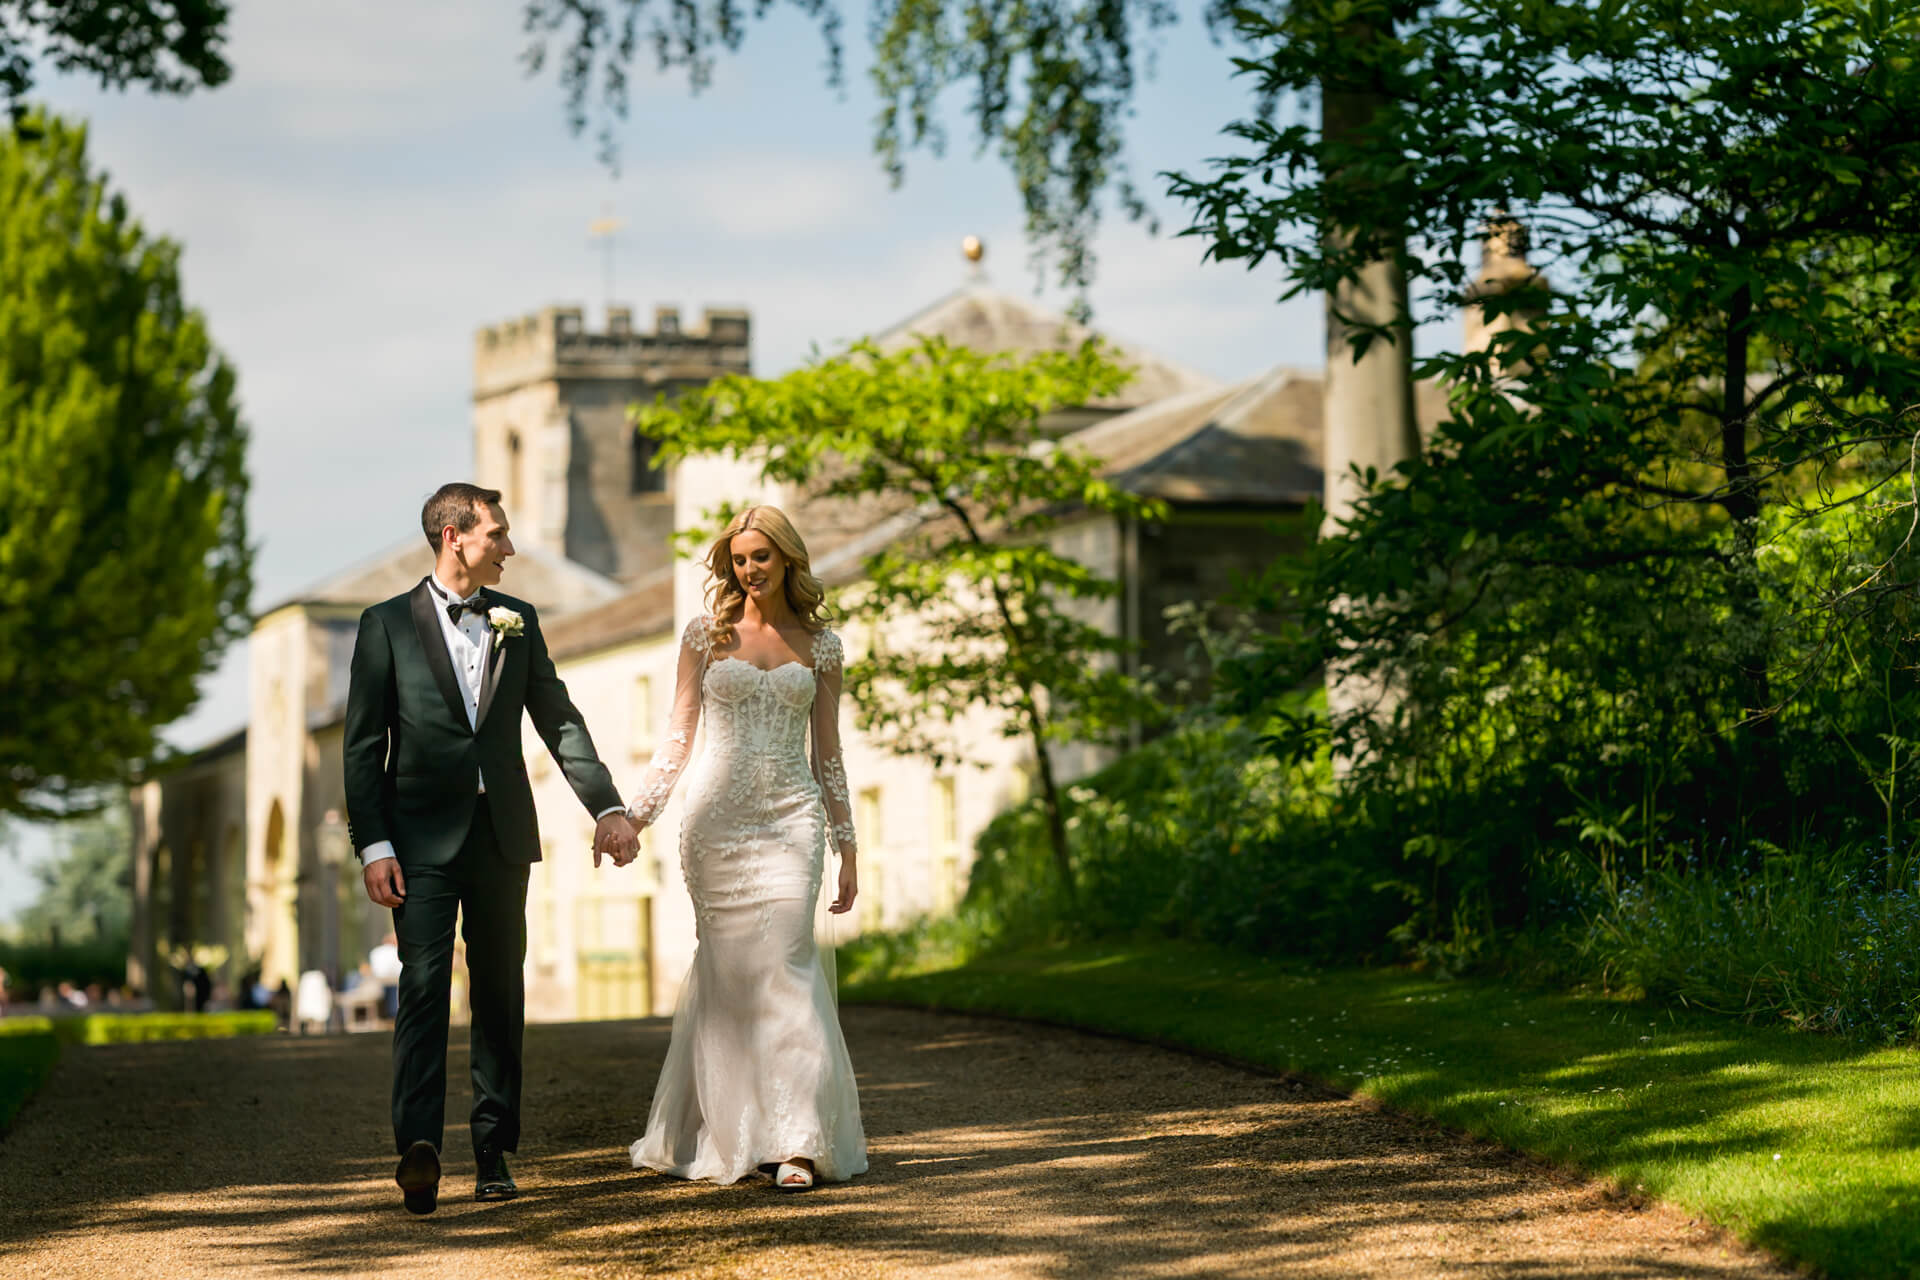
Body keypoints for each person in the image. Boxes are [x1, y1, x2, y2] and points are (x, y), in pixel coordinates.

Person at [343, 482, 640, 1215]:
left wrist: (606, 805)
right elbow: (362, 746)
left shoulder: (519, 620)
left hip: (502, 834)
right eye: (497, 535)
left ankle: (493, 1150)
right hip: (417, 842)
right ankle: (418, 1146)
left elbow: (559, 721)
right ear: (454, 537)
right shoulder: (384, 625)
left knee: (501, 993)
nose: (509, 548)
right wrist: (374, 844)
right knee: (421, 989)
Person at [626, 505, 866, 1191]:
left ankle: (796, 1141)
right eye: (738, 559)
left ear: (788, 558)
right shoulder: (705, 635)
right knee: (730, 979)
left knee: (788, 968)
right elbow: (677, 737)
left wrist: (848, 847)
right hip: (716, 822)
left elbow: (829, 753)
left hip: (792, 818)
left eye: (761, 556)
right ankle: (735, 1134)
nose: (749, 569)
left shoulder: (823, 646)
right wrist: (636, 816)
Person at [368, 931, 403, 1022]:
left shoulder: (375, 951)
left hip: (379, 983)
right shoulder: (396, 951)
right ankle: (392, 1015)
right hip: (391, 983)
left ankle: (387, 1016)